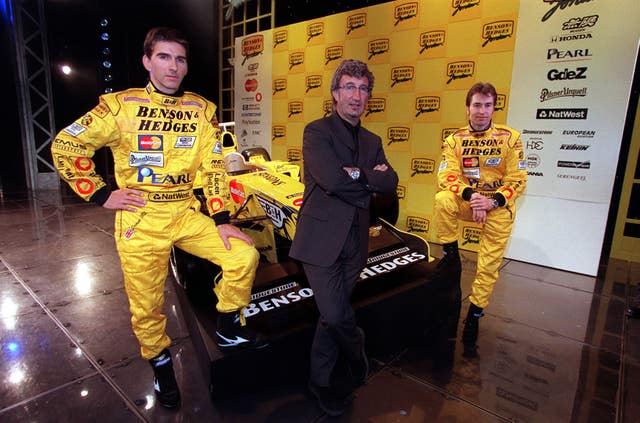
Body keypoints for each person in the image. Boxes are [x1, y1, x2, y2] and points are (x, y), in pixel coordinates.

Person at [50, 27, 265, 409]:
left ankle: (229, 327)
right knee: (146, 305)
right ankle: (161, 364)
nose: (173, 66)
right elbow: (67, 144)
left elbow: (214, 166)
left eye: (180, 59)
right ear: (147, 61)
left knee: (243, 255)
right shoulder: (121, 106)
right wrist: (101, 193)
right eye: (163, 57)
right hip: (139, 218)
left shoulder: (201, 110)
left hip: (185, 212)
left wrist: (222, 217)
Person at [289, 59, 398, 416]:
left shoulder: (373, 140)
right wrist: (368, 179)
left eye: (363, 89)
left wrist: (357, 175)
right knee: (336, 316)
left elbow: (390, 182)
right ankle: (357, 352)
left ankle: (318, 380)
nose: (357, 95)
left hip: (357, 241)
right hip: (320, 240)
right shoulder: (316, 132)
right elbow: (331, 179)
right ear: (335, 94)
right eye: (349, 87)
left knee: (328, 315)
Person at [434, 82, 527, 358]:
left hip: (497, 206)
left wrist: (492, 201)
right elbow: (446, 175)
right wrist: (473, 197)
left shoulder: (510, 138)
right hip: (469, 201)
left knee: (488, 266)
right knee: (442, 200)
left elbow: (518, 179)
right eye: (477, 105)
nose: (482, 111)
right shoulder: (454, 140)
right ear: (467, 108)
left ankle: (474, 315)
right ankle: (452, 255)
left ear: (494, 107)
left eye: (487, 105)